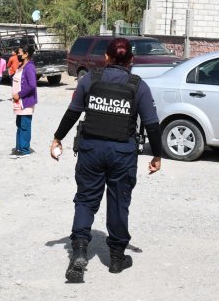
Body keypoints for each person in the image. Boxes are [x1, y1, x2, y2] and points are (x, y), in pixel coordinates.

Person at [49, 37, 163, 283]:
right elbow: (152, 124)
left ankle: (79, 250)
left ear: (107, 58)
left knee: (86, 200)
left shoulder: (90, 79)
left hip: (91, 150)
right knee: (119, 202)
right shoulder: (138, 86)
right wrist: (157, 154)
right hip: (122, 153)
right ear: (131, 61)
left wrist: (57, 138)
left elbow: (73, 112)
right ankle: (116, 258)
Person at [10, 46, 37, 158]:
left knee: (25, 125)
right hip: (18, 102)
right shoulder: (22, 66)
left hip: (25, 101)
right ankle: (19, 148)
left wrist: (19, 94)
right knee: (19, 125)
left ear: (26, 54)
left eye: (19, 53)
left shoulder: (30, 67)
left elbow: (32, 85)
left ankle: (25, 150)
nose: (18, 55)